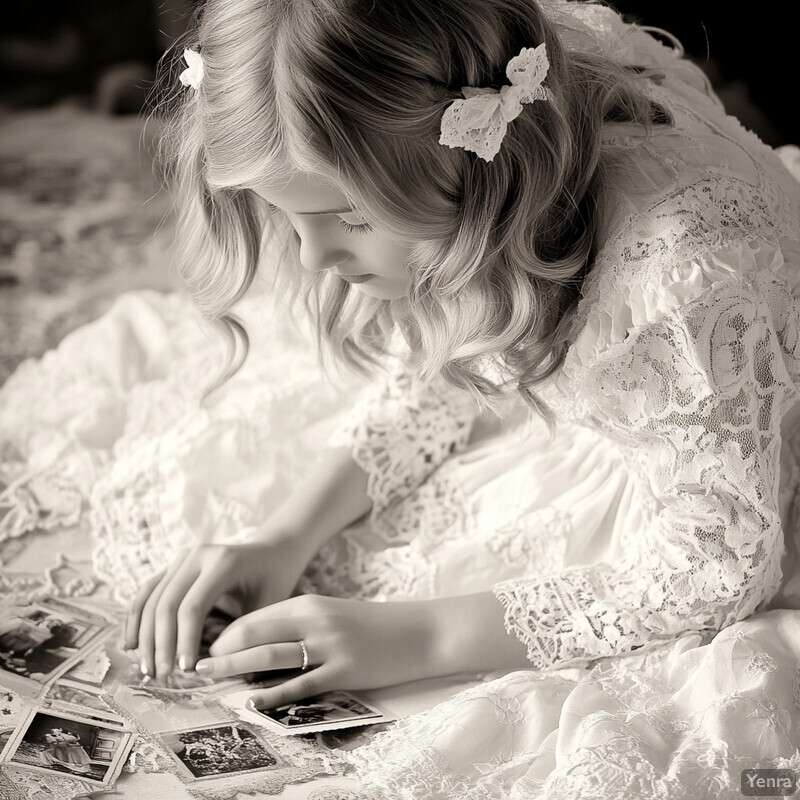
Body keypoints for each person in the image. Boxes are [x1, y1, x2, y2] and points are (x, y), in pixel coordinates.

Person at [9, 0, 794, 795]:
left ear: (473, 162)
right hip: (581, 347)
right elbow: (470, 346)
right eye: (287, 215)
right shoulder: (472, 128)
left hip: (715, 437)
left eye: (343, 214)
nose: (314, 257)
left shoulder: (685, 267)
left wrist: (416, 637)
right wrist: (286, 533)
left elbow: (719, 560)